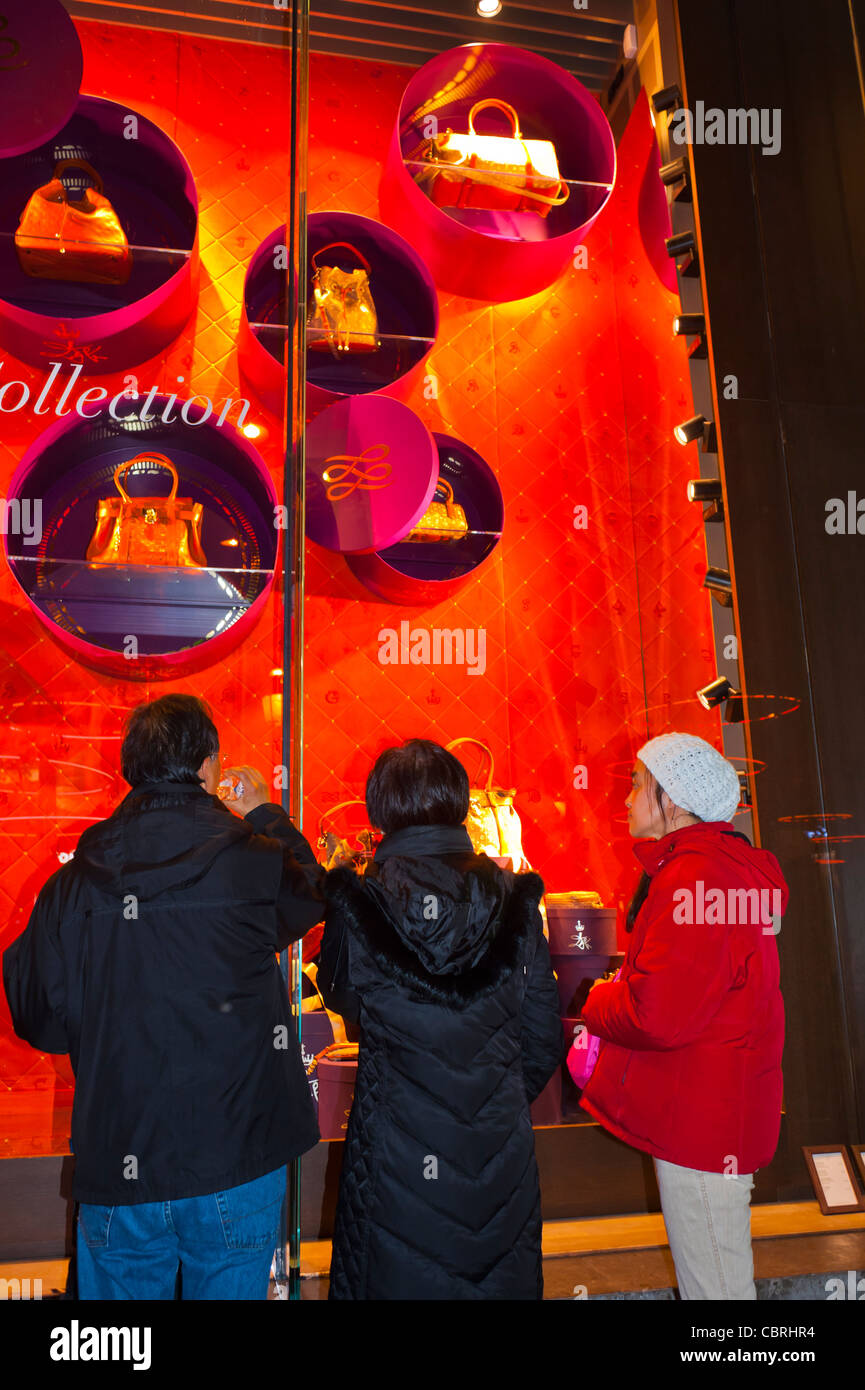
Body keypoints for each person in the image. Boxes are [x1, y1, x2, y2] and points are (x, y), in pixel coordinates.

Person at [3, 693, 324, 1300]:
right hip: (239, 1152)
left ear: (132, 769)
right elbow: (312, 895)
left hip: (120, 1158)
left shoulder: (72, 884)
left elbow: (36, 1014)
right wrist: (264, 814)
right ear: (208, 767)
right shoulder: (252, 859)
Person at [317, 738, 563, 1300]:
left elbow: (343, 1001)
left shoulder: (363, 899)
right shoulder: (513, 898)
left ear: (380, 812)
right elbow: (542, 1033)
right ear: (459, 801)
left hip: (395, 1153)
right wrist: (490, 1102)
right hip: (498, 1152)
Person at [580, 732, 787, 1300]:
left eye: (635, 786)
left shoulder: (695, 876)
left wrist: (592, 1003)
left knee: (717, 1294)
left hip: (701, 1123)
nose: (626, 800)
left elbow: (659, 1016)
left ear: (671, 800)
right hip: (719, 1106)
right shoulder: (725, 867)